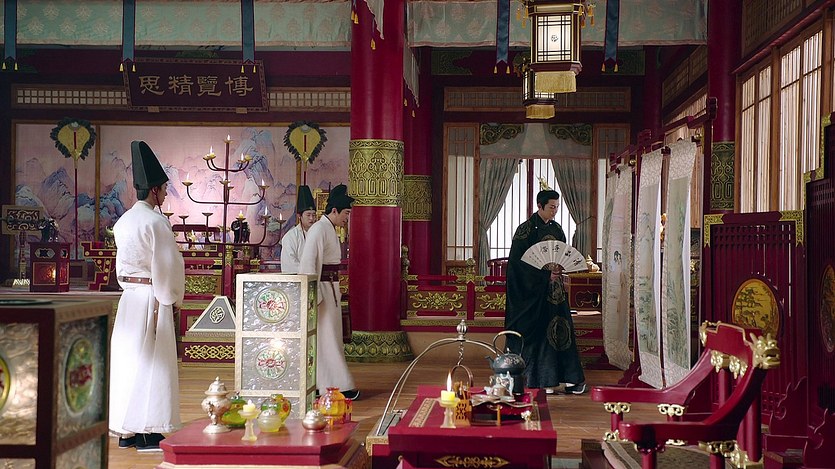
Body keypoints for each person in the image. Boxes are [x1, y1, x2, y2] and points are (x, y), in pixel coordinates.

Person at [110, 141, 185, 452]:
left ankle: (126, 431)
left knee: (128, 363)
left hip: (129, 299)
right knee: (154, 365)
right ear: (154, 190)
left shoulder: (123, 221)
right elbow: (167, 266)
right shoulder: (156, 222)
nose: (166, 195)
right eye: (164, 189)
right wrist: (173, 298)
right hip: (152, 299)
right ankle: (149, 431)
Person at [504, 189, 586, 395]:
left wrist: (558, 269)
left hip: (555, 293)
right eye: (551, 207)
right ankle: (542, 380)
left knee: (561, 332)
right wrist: (543, 276)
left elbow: (563, 255)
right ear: (539, 206)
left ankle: (569, 379)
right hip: (534, 295)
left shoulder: (557, 229)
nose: (555, 211)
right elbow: (517, 265)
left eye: (557, 207)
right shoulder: (525, 231)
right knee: (540, 334)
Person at [298, 184, 360, 400]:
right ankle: (336, 385)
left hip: (330, 289)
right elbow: (308, 263)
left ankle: (329, 384)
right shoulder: (319, 229)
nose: (347, 218)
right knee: (327, 340)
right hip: (322, 292)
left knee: (331, 338)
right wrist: (313, 296)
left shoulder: (328, 229)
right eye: (346, 213)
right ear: (334, 210)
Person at [280, 185, 317, 273]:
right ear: (299, 216)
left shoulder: (318, 234)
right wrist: (309, 272)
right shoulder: (291, 237)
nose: (311, 218)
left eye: (314, 215)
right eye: (308, 215)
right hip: (299, 278)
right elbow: (289, 264)